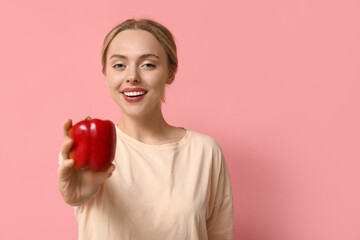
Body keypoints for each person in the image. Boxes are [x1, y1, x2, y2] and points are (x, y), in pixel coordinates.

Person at [58, 18, 233, 240]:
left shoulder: (204, 152)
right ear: (105, 74)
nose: (132, 77)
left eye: (148, 64)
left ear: (170, 72)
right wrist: (77, 197)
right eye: (119, 65)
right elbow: (77, 194)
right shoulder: (82, 149)